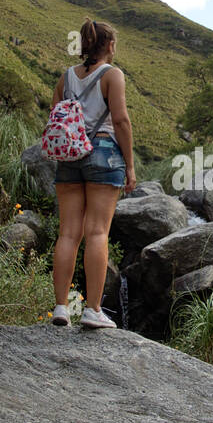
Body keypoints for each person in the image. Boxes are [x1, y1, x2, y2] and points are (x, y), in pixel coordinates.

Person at [50, 18, 136, 328]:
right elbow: (121, 121)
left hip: (69, 156)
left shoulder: (66, 78)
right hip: (103, 153)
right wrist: (130, 166)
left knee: (68, 233)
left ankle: (60, 307)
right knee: (97, 232)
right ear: (109, 45)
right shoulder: (112, 75)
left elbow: (55, 117)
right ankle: (92, 309)